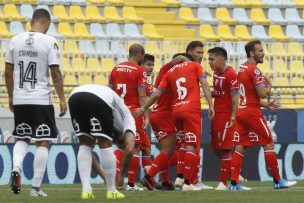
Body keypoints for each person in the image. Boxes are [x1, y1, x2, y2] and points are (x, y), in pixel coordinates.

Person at [5, 9, 67, 197]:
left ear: (32, 21)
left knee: (22, 137)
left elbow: (7, 73)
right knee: (42, 141)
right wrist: (63, 99)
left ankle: (16, 167)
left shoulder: (14, 40)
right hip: (40, 98)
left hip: (20, 98)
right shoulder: (49, 42)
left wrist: (11, 97)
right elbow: (55, 73)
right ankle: (35, 188)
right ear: (47, 23)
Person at [133, 53, 214, 191]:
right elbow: (202, 82)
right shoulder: (184, 66)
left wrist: (144, 108)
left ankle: (167, 180)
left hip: (168, 113)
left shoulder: (168, 73)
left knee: (178, 146)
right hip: (169, 114)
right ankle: (183, 180)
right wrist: (211, 104)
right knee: (182, 147)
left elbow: (157, 94)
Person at [229, 40, 297, 190]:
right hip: (251, 113)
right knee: (268, 143)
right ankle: (278, 181)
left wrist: (266, 105)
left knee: (240, 147)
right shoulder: (254, 70)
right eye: (259, 51)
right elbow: (262, 94)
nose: (263, 53)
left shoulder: (241, 68)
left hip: (242, 110)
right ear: (252, 53)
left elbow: (248, 95)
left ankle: (234, 184)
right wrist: (269, 87)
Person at [69, 84, 135, 199]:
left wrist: (105, 176)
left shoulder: (115, 117)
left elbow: (90, 156)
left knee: (85, 143)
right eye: (120, 143)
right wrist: (120, 176)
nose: (118, 144)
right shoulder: (129, 121)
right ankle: (111, 191)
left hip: (74, 96)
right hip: (99, 99)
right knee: (105, 143)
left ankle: (86, 190)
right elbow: (129, 150)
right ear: (122, 135)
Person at [141, 54, 189, 190]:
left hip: (159, 114)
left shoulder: (171, 76)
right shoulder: (167, 71)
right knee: (171, 151)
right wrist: (190, 63)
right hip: (164, 116)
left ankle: (166, 182)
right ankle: (149, 176)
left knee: (169, 150)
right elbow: (178, 58)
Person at [109, 43, 148, 191]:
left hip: (116, 111)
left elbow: (110, 89)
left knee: (120, 146)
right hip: (132, 112)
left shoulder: (116, 68)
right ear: (140, 55)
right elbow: (142, 94)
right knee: (135, 147)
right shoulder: (140, 71)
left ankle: (115, 178)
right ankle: (131, 184)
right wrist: (145, 115)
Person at [179, 41, 212, 190]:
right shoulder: (195, 67)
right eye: (198, 53)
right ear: (189, 52)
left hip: (177, 109)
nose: (201, 56)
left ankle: (189, 179)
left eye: (202, 53)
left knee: (188, 146)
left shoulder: (179, 68)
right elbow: (204, 85)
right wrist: (211, 105)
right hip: (190, 110)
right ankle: (188, 181)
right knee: (192, 145)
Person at [208, 47, 238, 190]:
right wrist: (208, 94)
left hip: (226, 115)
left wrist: (233, 115)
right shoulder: (215, 73)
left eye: (212, 59)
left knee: (225, 149)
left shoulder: (231, 74)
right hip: (216, 114)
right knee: (215, 147)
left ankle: (223, 183)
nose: (209, 62)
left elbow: (234, 97)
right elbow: (219, 92)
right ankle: (234, 175)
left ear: (221, 59)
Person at [140, 54, 155, 175]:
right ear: (141, 65)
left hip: (138, 116)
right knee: (132, 149)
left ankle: (149, 180)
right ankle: (130, 183)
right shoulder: (141, 78)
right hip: (136, 116)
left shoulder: (146, 80)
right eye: (148, 65)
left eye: (153, 65)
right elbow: (148, 96)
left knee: (146, 148)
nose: (151, 68)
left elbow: (152, 94)